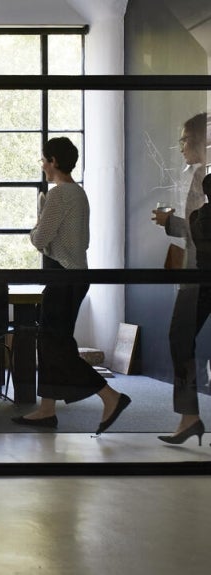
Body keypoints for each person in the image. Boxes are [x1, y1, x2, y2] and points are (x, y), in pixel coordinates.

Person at [11, 137, 130, 433]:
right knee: (52, 340)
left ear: (53, 162)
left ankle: (110, 395)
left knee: (55, 343)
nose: (42, 166)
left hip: (63, 277)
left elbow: (39, 240)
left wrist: (36, 224)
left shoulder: (58, 195)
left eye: (44, 160)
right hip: (74, 276)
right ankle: (47, 410)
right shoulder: (79, 193)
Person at [153, 113, 209, 444]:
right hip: (196, 269)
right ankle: (189, 417)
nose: (181, 147)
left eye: (186, 140)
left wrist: (169, 223)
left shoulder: (204, 178)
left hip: (199, 273)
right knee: (180, 339)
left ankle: (189, 417)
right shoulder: (195, 175)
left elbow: (201, 230)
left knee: (179, 338)